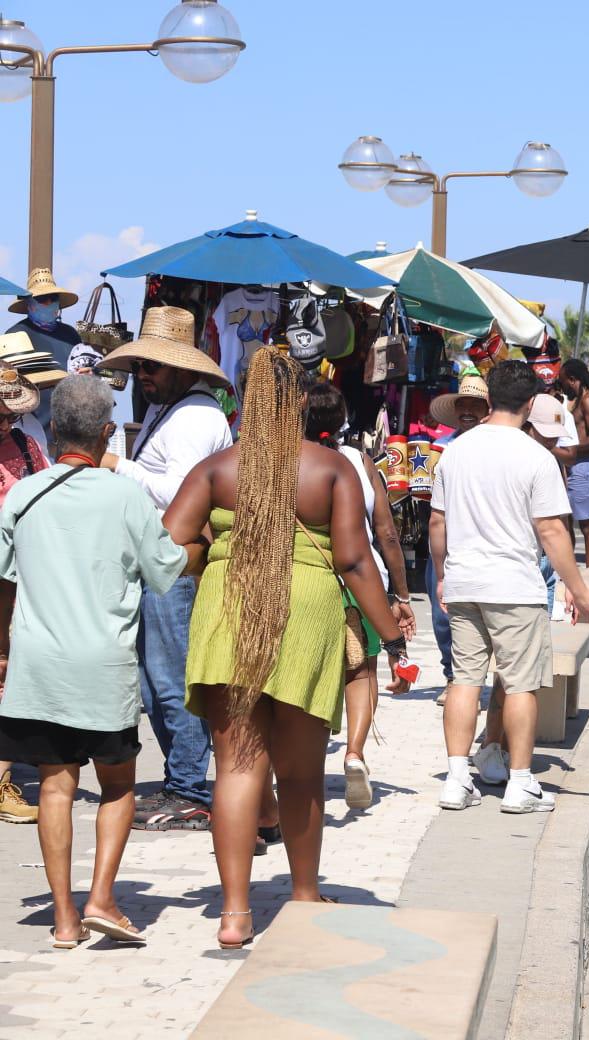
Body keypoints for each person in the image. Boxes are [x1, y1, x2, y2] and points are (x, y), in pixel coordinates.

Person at [165, 347, 406, 949]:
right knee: (299, 774)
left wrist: (209, 556)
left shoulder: (218, 469)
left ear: (247, 402)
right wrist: (394, 636)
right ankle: (302, 894)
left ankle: (235, 913)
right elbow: (353, 559)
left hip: (229, 611)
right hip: (307, 615)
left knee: (237, 768)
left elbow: (170, 544)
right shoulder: (330, 469)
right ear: (299, 402)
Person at [0, 375, 191, 947]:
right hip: (104, 666)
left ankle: (63, 919)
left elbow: (3, 584)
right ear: (109, 433)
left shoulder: (21, 495)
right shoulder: (126, 495)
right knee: (116, 786)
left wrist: (4, 650)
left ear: (53, 431)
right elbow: (166, 572)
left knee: (54, 789)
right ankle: (102, 898)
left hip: (38, 664)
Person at [430, 361, 589, 815]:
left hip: (465, 581)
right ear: (530, 404)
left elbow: (438, 522)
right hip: (514, 586)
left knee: (463, 680)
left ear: (489, 397)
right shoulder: (536, 457)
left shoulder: (456, 451)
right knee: (521, 684)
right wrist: (579, 588)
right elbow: (551, 531)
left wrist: (443, 576)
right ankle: (522, 784)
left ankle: (455, 780)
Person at [97, 306, 234, 832]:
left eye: (152, 368)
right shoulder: (168, 410)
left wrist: (118, 466)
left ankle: (189, 789)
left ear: (181, 368)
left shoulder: (197, 416)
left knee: (174, 679)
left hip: (176, 564)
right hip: (155, 559)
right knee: (155, 682)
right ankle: (182, 780)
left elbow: (183, 492)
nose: (143, 377)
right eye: (140, 368)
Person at [304, 383, 416, 809]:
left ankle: (305, 764)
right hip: (362, 580)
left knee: (312, 671)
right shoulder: (359, 461)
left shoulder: (289, 460)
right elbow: (386, 532)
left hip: (313, 579)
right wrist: (399, 593)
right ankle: (354, 753)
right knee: (361, 670)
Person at [0, 364, 48, 824]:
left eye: (11, 416)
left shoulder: (26, 447)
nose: (7, 423)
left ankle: (1, 780)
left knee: (5, 674)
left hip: (13, 583)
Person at [427, 373, 490, 705]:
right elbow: (434, 507)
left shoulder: (498, 446)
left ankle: (470, 682)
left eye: (475, 406)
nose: (468, 412)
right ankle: (453, 676)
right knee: (441, 618)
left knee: (477, 616)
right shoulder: (441, 447)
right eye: (462, 405)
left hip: (480, 542)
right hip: (445, 540)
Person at [5, 268, 82, 426]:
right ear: (29, 304)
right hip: (29, 424)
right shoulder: (14, 336)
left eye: (52, 298)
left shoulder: (71, 334)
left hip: (70, 425)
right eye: (41, 299)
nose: (48, 303)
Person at [558, 359, 589, 566]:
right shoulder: (574, 400)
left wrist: (568, 449)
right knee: (566, 524)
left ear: (572, 379)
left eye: (562, 381)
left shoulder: (588, 400)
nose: (561, 386)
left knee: (588, 525)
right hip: (574, 466)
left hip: (585, 467)